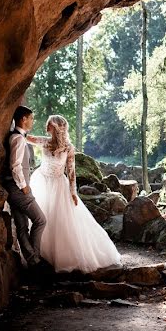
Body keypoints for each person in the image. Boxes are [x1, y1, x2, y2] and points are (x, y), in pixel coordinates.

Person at [26, 115, 121, 272]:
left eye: (48, 125)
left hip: (58, 185)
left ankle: (60, 256)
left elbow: (71, 172)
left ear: (56, 128)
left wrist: (73, 192)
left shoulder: (68, 148)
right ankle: (39, 252)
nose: (46, 127)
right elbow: (26, 138)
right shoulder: (44, 141)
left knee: (59, 219)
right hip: (41, 181)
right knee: (41, 215)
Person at [1, 105, 47, 267]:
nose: (33, 121)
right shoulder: (18, 139)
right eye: (31, 118)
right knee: (40, 220)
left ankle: (32, 261)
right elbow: (15, 165)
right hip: (18, 189)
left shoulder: (18, 137)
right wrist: (23, 186)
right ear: (23, 119)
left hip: (13, 189)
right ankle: (35, 258)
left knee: (22, 226)